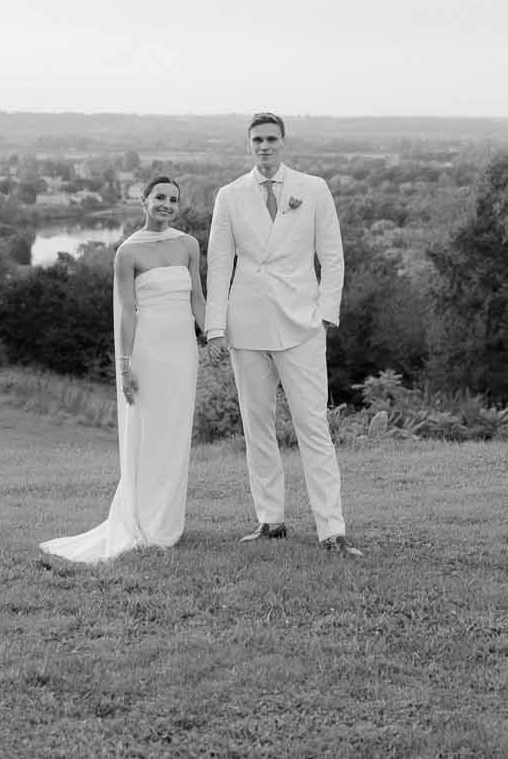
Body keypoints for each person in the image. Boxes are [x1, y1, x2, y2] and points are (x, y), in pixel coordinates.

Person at [204, 112, 360, 556]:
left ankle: (332, 529)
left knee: (314, 427)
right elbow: (219, 263)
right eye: (257, 140)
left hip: (302, 324)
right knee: (257, 427)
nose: (265, 146)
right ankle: (270, 520)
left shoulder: (313, 190)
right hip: (247, 324)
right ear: (248, 145)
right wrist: (216, 325)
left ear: (283, 143)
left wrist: (326, 312)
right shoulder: (229, 196)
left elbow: (333, 257)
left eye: (272, 139)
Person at [40, 175, 205, 563]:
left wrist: (216, 335)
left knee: (175, 434)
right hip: (148, 351)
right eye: (159, 197)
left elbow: (197, 297)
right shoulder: (128, 252)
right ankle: (142, 521)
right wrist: (125, 366)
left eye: (172, 199)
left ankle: (167, 521)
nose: (166, 204)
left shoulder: (188, 245)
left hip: (183, 352)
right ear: (143, 201)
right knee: (148, 434)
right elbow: (127, 314)